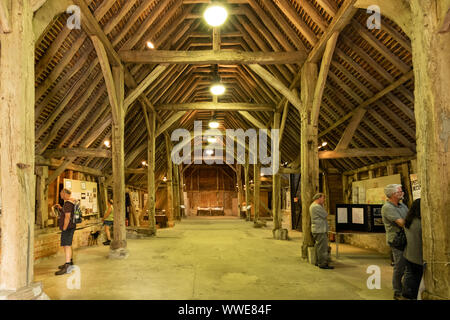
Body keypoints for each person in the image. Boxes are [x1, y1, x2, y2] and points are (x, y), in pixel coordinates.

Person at [381, 184, 409, 299]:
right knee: (400, 266)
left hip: (406, 238)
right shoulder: (388, 207)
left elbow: (408, 219)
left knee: (408, 266)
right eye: (399, 192)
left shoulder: (402, 205)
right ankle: (397, 291)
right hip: (397, 241)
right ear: (393, 194)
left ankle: (406, 289)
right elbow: (402, 223)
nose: (401, 193)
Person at [402, 198, 423, 299]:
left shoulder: (408, 221)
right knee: (417, 278)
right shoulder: (421, 223)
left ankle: (407, 293)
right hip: (418, 255)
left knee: (410, 274)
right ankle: (413, 295)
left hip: (409, 253)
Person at [54, 188, 77, 275]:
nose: (60, 195)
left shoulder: (68, 203)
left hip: (67, 228)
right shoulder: (70, 203)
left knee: (67, 245)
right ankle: (69, 263)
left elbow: (67, 217)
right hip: (70, 227)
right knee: (67, 245)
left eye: (61, 193)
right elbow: (66, 213)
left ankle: (67, 266)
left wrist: (64, 228)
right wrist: (60, 208)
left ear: (64, 194)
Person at [310, 193, 334, 269]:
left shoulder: (314, 206)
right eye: (323, 198)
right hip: (319, 229)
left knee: (319, 247)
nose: (324, 200)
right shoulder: (316, 207)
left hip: (318, 229)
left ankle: (318, 261)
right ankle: (323, 264)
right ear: (319, 198)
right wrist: (322, 206)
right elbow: (325, 214)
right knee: (322, 248)